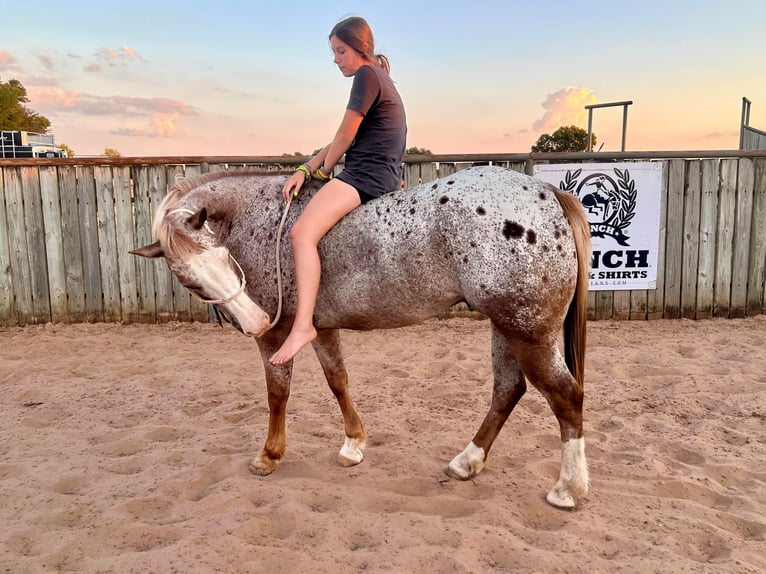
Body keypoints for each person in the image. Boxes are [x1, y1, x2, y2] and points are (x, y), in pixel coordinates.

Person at [269, 16, 407, 365]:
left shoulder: (367, 74)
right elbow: (340, 137)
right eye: (334, 52)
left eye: (341, 50)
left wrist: (325, 173)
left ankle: (302, 326)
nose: (336, 59)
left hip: (366, 175)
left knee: (301, 235)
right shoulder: (381, 77)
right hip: (376, 172)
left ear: (360, 48)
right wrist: (307, 168)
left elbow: (344, 138)